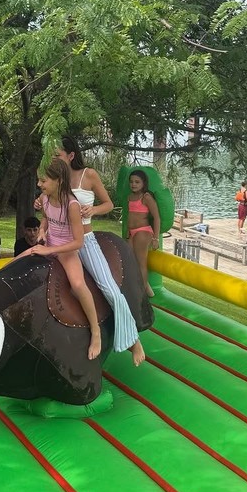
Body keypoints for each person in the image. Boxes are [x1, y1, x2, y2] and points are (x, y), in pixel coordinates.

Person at [46, 136, 146, 366]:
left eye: (58, 155)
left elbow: (109, 204)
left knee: (109, 289)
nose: (54, 159)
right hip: (59, 240)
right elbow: (50, 204)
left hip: (86, 240)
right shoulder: (55, 178)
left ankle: (133, 339)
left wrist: (93, 209)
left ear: (71, 156)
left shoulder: (87, 175)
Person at [21, 158, 102, 360]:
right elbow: (47, 218)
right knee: (15, 263)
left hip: (67, 251)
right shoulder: (46, 198)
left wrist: (51, 250)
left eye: (43, 180)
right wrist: (41, 231)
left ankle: (96, 331)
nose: (39, 184)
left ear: (58, 181)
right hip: (49, 245)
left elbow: (78, 242)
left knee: (77, 284)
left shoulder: (72, 205)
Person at [126, 169, 161, 298]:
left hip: (143, 231)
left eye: (137, 182)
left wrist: (156, 238)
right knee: (129, 261)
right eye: (131, 182)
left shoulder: (146, 197)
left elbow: (157, 217)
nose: (133, 184)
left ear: (143, 183)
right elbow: (130, 217)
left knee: (141, 262)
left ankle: (141, 293)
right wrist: (127, 233)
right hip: (132, 232)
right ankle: (145, 288)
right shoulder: (130, 197)